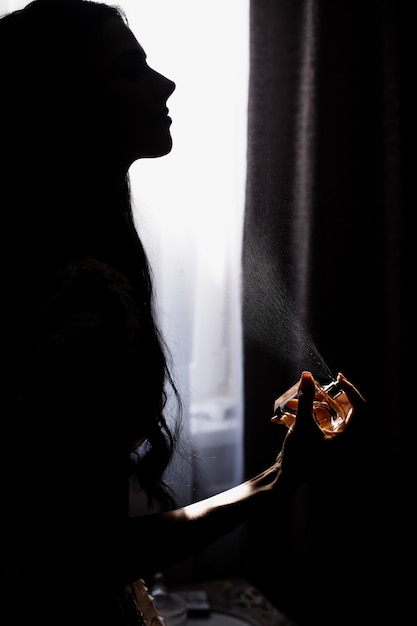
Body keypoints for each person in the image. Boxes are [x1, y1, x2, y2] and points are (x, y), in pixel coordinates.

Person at [0, 1, 366, 624]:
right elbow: (88, 553)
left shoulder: (38, 265)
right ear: (64, 105)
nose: (163, 83)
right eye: (128, 68)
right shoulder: (86, 297)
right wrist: (275, 480)